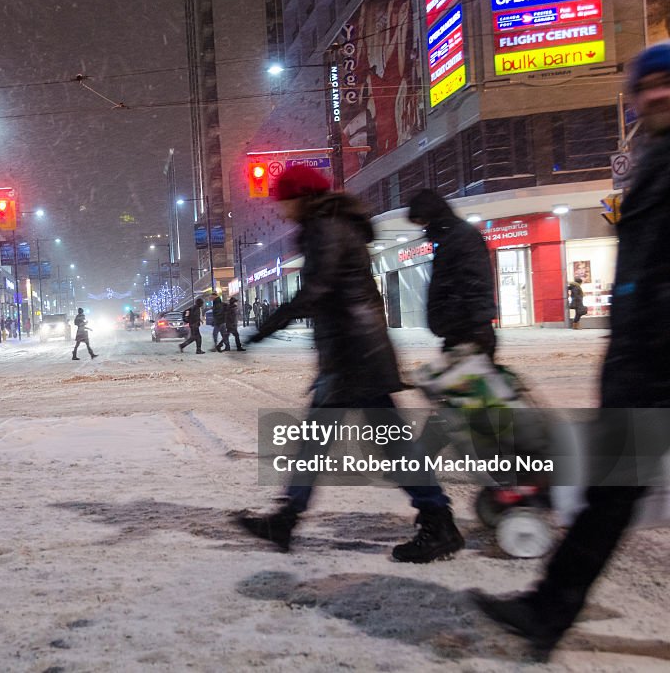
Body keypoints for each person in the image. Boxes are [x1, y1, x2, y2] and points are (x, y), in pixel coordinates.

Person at [472, 42, 670, 656]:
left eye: (669, 83)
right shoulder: (653, 160)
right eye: (650, 85)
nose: (659, 94)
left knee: (611, 498)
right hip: (645, 365)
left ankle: (547, 610)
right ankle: (546, 610)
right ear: (634, 98)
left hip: (656, 361)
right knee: (609, 499)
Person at [237, 164, 462, 563]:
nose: (281, 209)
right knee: (327, 441)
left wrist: (267, 326)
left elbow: (319, 289)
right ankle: (288, 518)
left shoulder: (326, 226)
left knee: (388, 446)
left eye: (284, 200)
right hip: (355, 350)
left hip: (354, 353)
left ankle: (438, 521)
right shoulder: (332, 223)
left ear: (301, 196)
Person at [406, 188, 497, 359]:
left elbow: (474, 281)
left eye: (423, 222)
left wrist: (474, 325)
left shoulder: (461, 237)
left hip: (468, 331)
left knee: (469, 384)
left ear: (431, 215)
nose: (423, 228)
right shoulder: (449, 239)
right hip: (459, 329)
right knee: (460, 383)